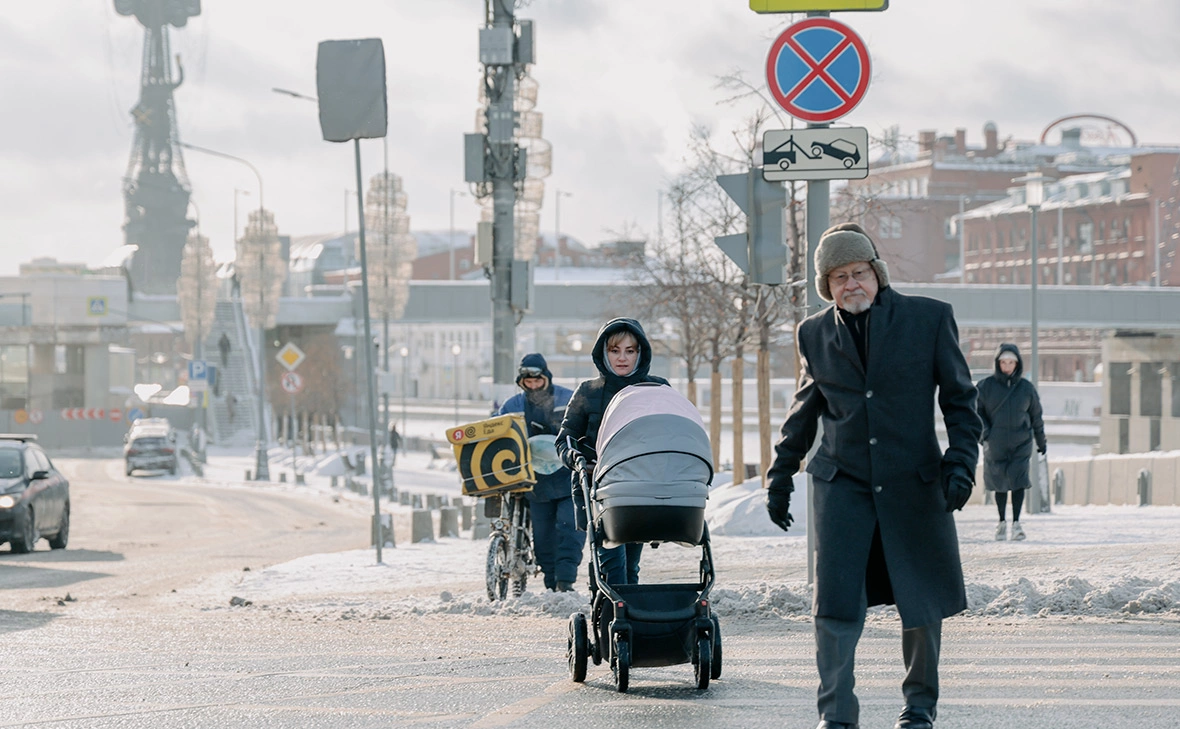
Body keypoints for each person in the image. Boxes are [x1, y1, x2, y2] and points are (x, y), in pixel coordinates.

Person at [765, 222, 982, 729]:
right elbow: (804, 410)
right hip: (842, 483)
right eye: (838, 278)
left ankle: (919, 708)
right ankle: (837, 715)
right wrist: (780, 473)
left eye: (858, 273)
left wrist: (961, 463)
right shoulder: (814, 332)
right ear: (828, 286)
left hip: (914, 482)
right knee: (835, 604)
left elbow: (960, 402)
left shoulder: (928, 319)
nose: (850, 285)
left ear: (877, 273)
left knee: (920, 599)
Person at [556, 318, 669, 587]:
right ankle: (614, 612)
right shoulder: (588, 392)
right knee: (612, 563)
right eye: (614, 350)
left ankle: (624, 616)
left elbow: (670, 432)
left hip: (641, 488)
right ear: (603, 353)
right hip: (600, 489)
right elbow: (565, 439)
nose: (622, 358)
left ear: (640, 353)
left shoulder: (656, 389)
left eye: (630, 351)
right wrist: (578, 460)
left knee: (630, 565)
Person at [498, 354, 584, 592]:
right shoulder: (512, 406)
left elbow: (585, 427)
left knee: (570, 529)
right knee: (544, 537)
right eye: (528, 382)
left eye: (538, 380)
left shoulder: (569, 399)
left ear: (546, 377)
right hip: (535, 485)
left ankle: (565, 581)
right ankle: (550, 583)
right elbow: (496, 430)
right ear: (522, 382)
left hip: (568, 480)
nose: (534, 386)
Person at [976, 343, 1047, 542]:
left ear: (1018, 364)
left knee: (1018, 481)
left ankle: (1016, 523)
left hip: (1021, 443)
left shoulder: (1026, 389)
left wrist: (1041, 441)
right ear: (997, 363)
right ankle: (1001, 522)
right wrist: (985, 434)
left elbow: (1036, 416)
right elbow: (976, 413)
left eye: (1011, 362)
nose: (1007, 366)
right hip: (995, 443)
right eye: (1004, 362)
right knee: (999, 483)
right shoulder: (985, 387)